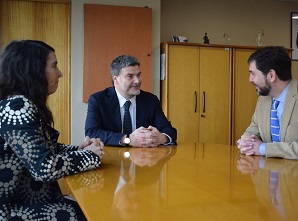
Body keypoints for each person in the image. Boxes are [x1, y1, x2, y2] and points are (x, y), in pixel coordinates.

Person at [0, 40, 104, 220]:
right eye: (54, 66)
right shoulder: (18, 107)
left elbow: (45, 148)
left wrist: (79, 149)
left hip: (28, 200)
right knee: (96, 213)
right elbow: (44, 168)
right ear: (33, 70)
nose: (60, 73)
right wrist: (90, 156)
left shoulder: (20, 103)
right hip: (14, 208)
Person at [236, 46, 298, 161]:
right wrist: (245, 142)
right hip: (268, 172)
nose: (250, 79)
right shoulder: (263, 99)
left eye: (253, 73)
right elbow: (252, 132)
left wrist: (263, 148)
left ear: (271, 75)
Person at [85, 54, 177, 147]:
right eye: (130, 76)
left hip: (143, 158)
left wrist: (161, 138)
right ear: (115, 79)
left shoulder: (151, 100)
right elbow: (92, 132)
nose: (137, 81)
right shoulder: (98, 100)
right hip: (111, 156)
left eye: (138, 75)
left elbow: (169, 130)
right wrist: (127, 139)